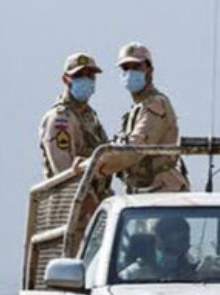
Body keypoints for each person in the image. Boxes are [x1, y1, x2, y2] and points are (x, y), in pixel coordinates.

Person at [101, 42, 190, 193]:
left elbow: (135, 148)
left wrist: (96, 166)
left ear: (149, 70)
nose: (130, 72)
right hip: (145, 191)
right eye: (125, 68)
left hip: (162, 191)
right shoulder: (137, 108)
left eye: (136, 67)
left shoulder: (156, 104)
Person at [38, 53, 107, 178]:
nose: (85, 80)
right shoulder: (60, 119)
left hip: (96, 193)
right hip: (69, 195)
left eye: (90, 75)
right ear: (65, 80)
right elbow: (64, 173)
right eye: (78, 76)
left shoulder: (90, 117)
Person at [119, 216, 196, 281]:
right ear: (159, 241)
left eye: (185, 240)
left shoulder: (195, 276)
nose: (185, 247)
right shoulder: (134, 274)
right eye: (170, 249)